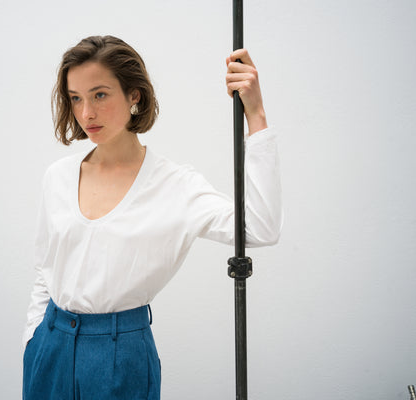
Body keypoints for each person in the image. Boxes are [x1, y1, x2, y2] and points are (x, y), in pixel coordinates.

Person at [22, 35, 282, 400]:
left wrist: (256, 115)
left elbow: (260, 228)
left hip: (120, 354)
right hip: (50, 346)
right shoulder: (58, 176)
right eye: (75, 98)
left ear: (135, 95)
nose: (86, 114)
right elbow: (45, 268)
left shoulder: (175, 185)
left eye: (100, 95)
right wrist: (34, 337)